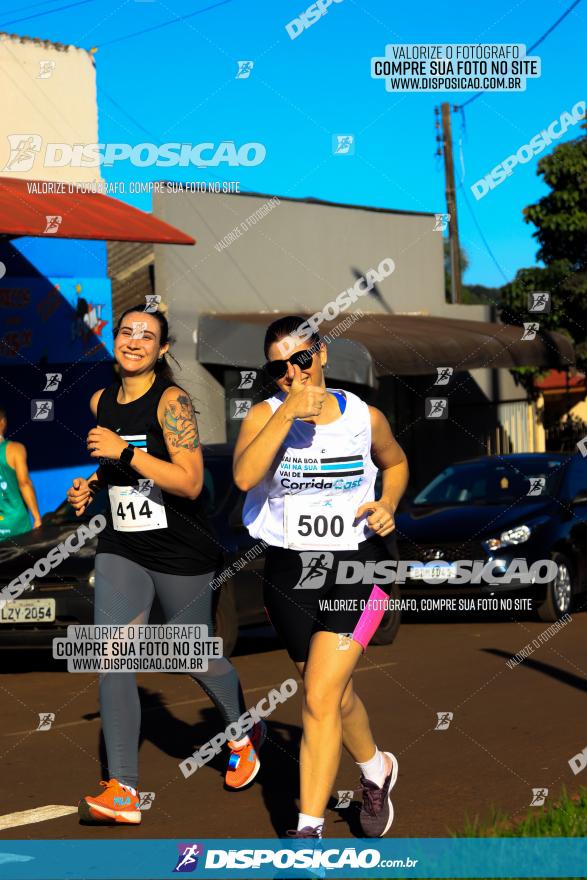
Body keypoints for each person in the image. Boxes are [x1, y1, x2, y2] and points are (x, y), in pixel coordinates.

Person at [67, 303, 264, 826]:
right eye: (126, 332)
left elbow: (191, 482)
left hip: (180, 550)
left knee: (191, 656)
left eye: (146, 335)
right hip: (123, 546)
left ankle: (242, 732)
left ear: (162, 349)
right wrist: (92, 488)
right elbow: (112, 464)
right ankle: (123, 791)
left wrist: (124, 455)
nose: (133, 341)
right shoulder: (100, 400)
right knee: (111, 656)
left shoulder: (171, 402)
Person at [233, 316, 409, 839]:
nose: (293, 372)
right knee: (332, 691)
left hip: (366, 562)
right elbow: (243, 477)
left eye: (301, 359)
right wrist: (287, 411)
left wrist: (388, 504)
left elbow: (395, 462)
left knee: (315, 696)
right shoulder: (263, 416)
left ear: (322, 354)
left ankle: (307, 832)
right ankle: (377, 767)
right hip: (293, 566)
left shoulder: (363, 416)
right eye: (279, 366)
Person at [0, 407, 42, 541]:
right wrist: (37, 517)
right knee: (18, 561)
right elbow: (24, 483)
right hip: (16, 526)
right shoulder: (15, 449)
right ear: (3, 422)